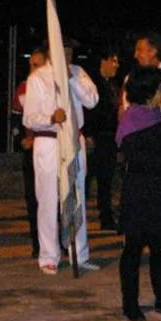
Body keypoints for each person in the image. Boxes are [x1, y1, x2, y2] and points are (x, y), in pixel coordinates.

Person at [23, 39, 100, 275]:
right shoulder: (37, 78)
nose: (66, 56)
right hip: (48, 142)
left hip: (74, 141)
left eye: (69, 52)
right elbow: (29, 118)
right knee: (48, 198)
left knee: (77, 196)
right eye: (61, 51)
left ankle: (79, 253)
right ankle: (49, 255)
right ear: (50, 52)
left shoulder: (78, 72)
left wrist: (71, 79)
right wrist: (50, 118)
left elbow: (92, 100)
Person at [116, 67, 161, 321]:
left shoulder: (158, 117)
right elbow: (137, 158)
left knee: (158, 249)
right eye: (160, 89)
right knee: (133, 250)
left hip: (160, 192)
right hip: (139, 192)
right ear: (148, 92)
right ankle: (130, 305)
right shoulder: (132, 120)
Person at [11, 47, 47, 257]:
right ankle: (38, 243)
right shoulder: (23, 88)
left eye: (37, 65)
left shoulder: (53, 87)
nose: (32, 69)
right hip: (31, 151)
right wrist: (22, 140)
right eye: (30, 65)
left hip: (50, 149)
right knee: (33, 197)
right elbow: (15, 119)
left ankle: (57, 241)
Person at [85, 47, 121, 231]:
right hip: (95, 138)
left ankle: (106, 217)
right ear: (103, 62)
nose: (117, 65)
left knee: (106, 180)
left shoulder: (113, 85)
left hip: (109, 139)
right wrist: (88, 135)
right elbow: (87, 112)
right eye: (113, 61)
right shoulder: (91, 85)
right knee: (86, 179)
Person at [121, 32, 161, 117]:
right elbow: (127, 106)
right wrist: (160, 97)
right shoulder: (130, 77)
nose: (135, 55)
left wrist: (139, 98)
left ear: (153, 51)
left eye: (139, 50)